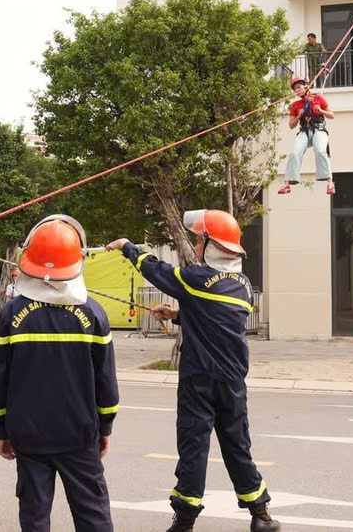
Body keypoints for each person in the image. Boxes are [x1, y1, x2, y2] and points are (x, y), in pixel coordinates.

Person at [107, 210, 279, 532]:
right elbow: (217, 320)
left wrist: (129, 247)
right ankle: (261, 515)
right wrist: (176, 316)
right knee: (237, 445)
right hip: (232, 383)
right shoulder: (242, 285)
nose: (197, 243)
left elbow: (157, 272)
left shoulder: (195, 279)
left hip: (199, 380)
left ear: (212, 245)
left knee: (193, 447)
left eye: (201, 238)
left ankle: (184, 522)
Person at [0, 214, 119, 532]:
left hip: (28, 436)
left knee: (34, 516)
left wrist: (2, 429)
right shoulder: (93, 313)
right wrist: (105, 426)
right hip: (79, 434)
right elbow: (106, 382)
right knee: (93, 515)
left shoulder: (13, 313)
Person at [278, 76, 335, 196]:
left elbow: (331, 115)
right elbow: (291, 125)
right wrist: (299, 116)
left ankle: (330, 182)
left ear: (306, 86)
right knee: (294, 153)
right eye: (295, 89)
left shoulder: (318, 98)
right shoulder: (296, 105)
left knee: (320, 151)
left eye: (299, 87)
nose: (297, 90)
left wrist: (321, 111)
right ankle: (287, 183)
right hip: (304, 131)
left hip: (319, 129)